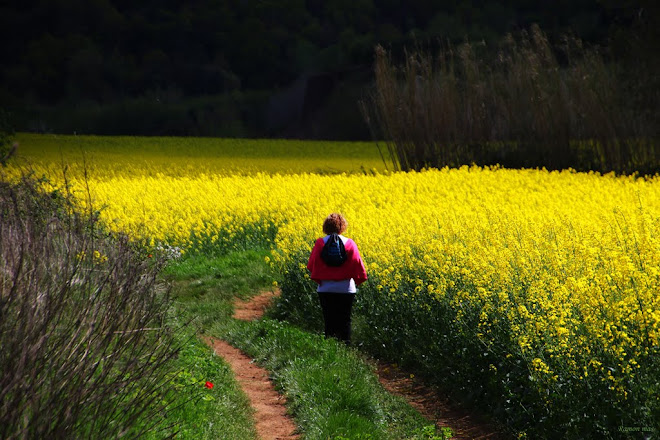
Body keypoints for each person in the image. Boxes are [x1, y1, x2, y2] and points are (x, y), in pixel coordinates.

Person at [307, 213, 367, 344]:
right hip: (346, 289)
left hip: (325, 288)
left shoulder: (320, 243)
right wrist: (357, 280)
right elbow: (358, 265)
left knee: (329, 320)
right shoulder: (350, 243)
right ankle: (345, 350)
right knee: (345, 320)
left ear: (325, 227)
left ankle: (330, 350)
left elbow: (311, 265)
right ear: (343, 227)